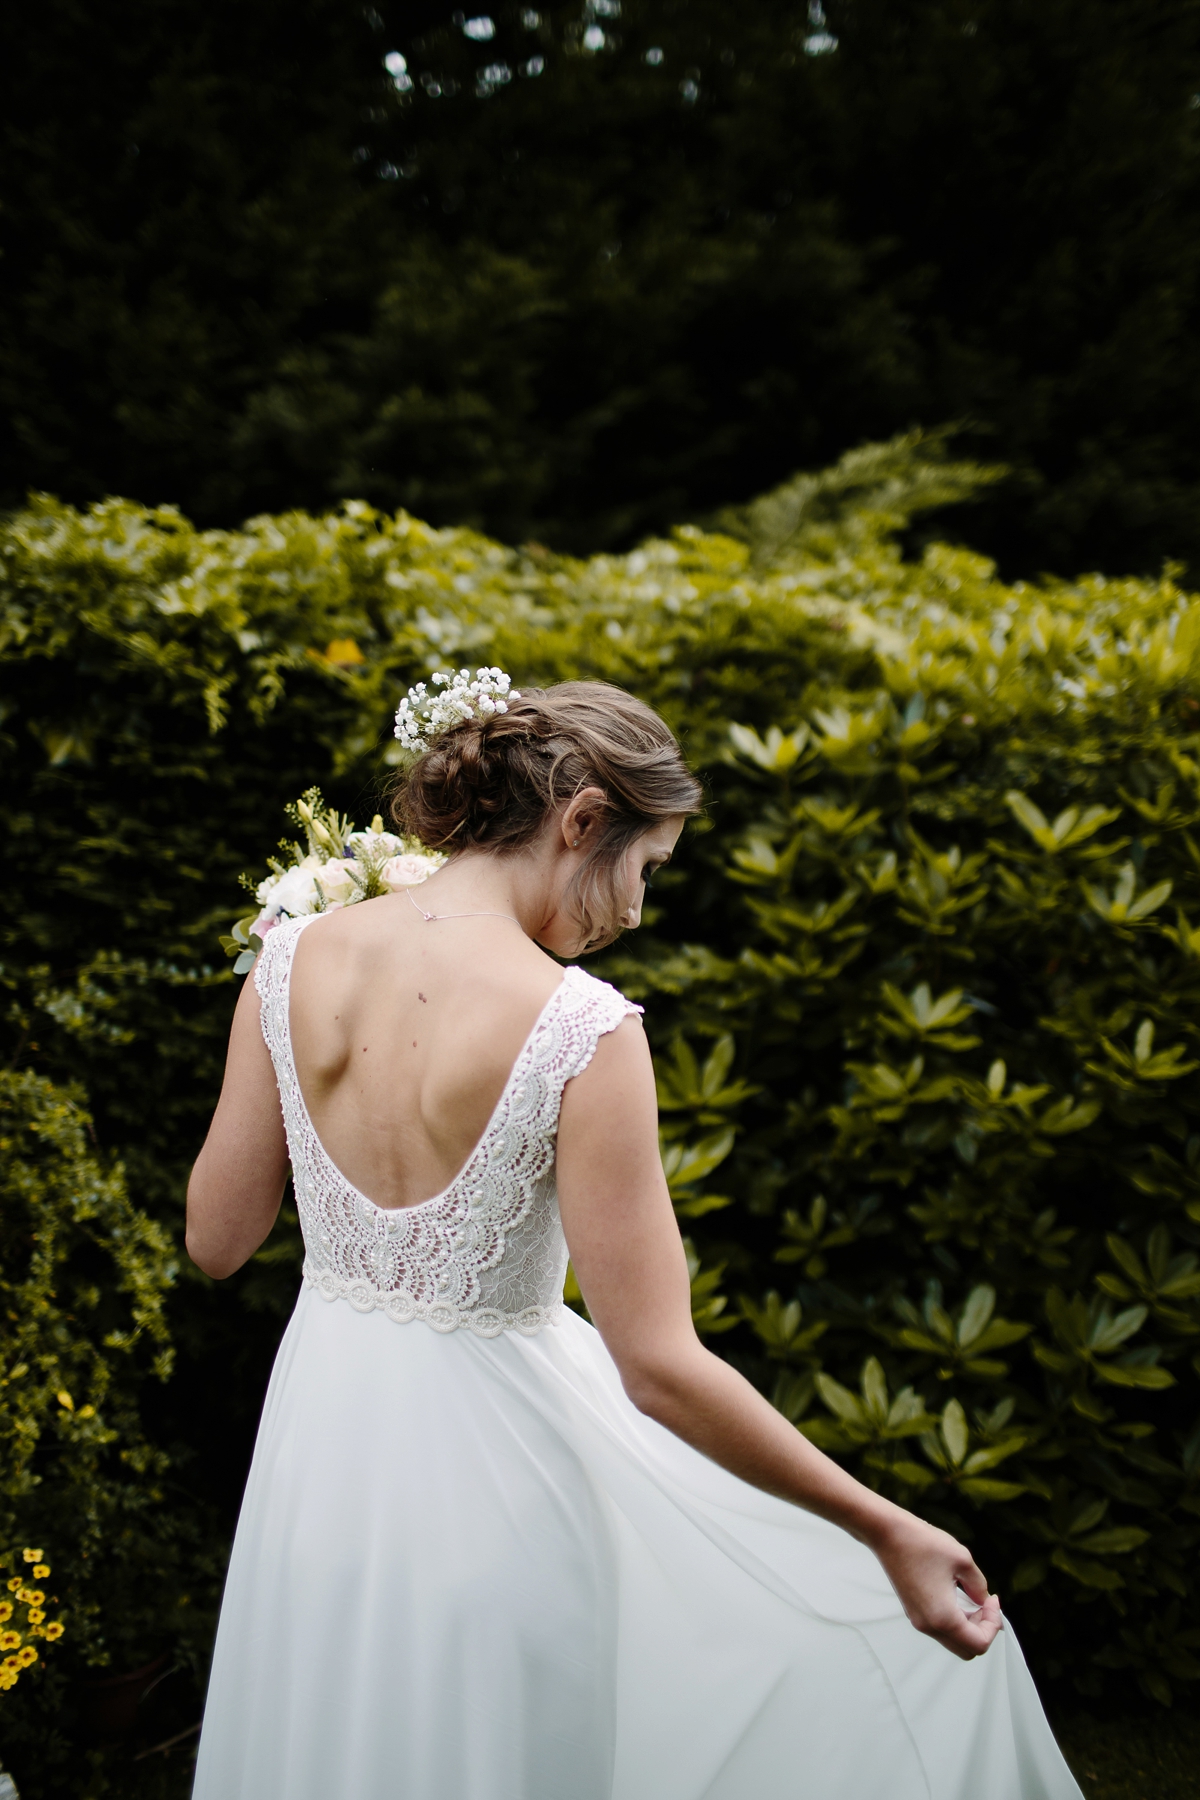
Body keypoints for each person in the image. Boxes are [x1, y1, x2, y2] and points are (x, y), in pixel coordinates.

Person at [187, 677, 1082, 1800]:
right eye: (646, 868)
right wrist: (883, 1526)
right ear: (581, 822)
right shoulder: (581, 1029)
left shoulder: (289, 959)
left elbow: (218, 1241)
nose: (637, 910)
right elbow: (657, 1367)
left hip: (318, 1461)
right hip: (496, 1492)